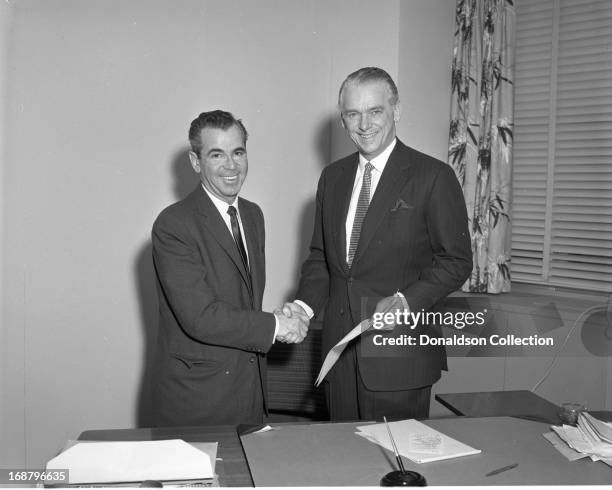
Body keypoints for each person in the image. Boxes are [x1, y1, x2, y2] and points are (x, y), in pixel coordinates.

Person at [284, 67, 472, 421]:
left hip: (399, 356)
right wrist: (303, 308)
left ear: (396, 111)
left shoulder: (433, 176)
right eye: (353, 114)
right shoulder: (332, 178)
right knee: (346, 465)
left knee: (396, 468)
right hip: (339, 354)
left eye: (375, 111)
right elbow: (321, 258)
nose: (364, 124)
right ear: (343, 121)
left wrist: (405, 300)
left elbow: (456, 261)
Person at [151, 110, 308, 426]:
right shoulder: (173, 224)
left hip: (250, 392)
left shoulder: (253, 215)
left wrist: (285, 318)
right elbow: (200, 318)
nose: (231, 166)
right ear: (196, 162)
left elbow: (242, 301)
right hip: (200, 400)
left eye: (238, 152)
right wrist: (276, 326)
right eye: (216, 155)